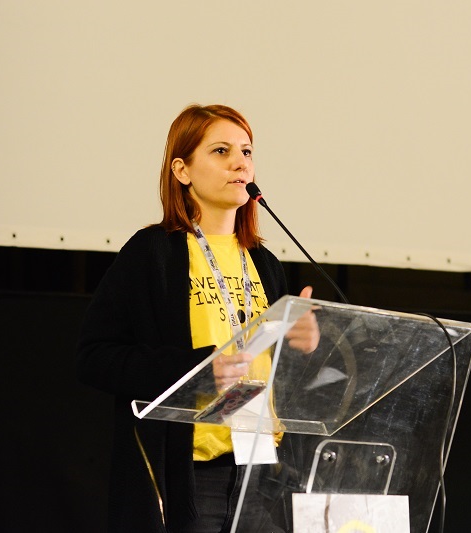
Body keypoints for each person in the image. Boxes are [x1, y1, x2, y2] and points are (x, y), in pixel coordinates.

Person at [77, 104, 319, 533]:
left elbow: (268, 368)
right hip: (190, 478)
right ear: (182, 170)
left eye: (246, 151)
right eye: (221, 151)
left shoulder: (264, 263)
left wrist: (303, 345)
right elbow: (95, 358)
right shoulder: (152, 253)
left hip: (262, 474)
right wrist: (198, 370)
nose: (240, 163)